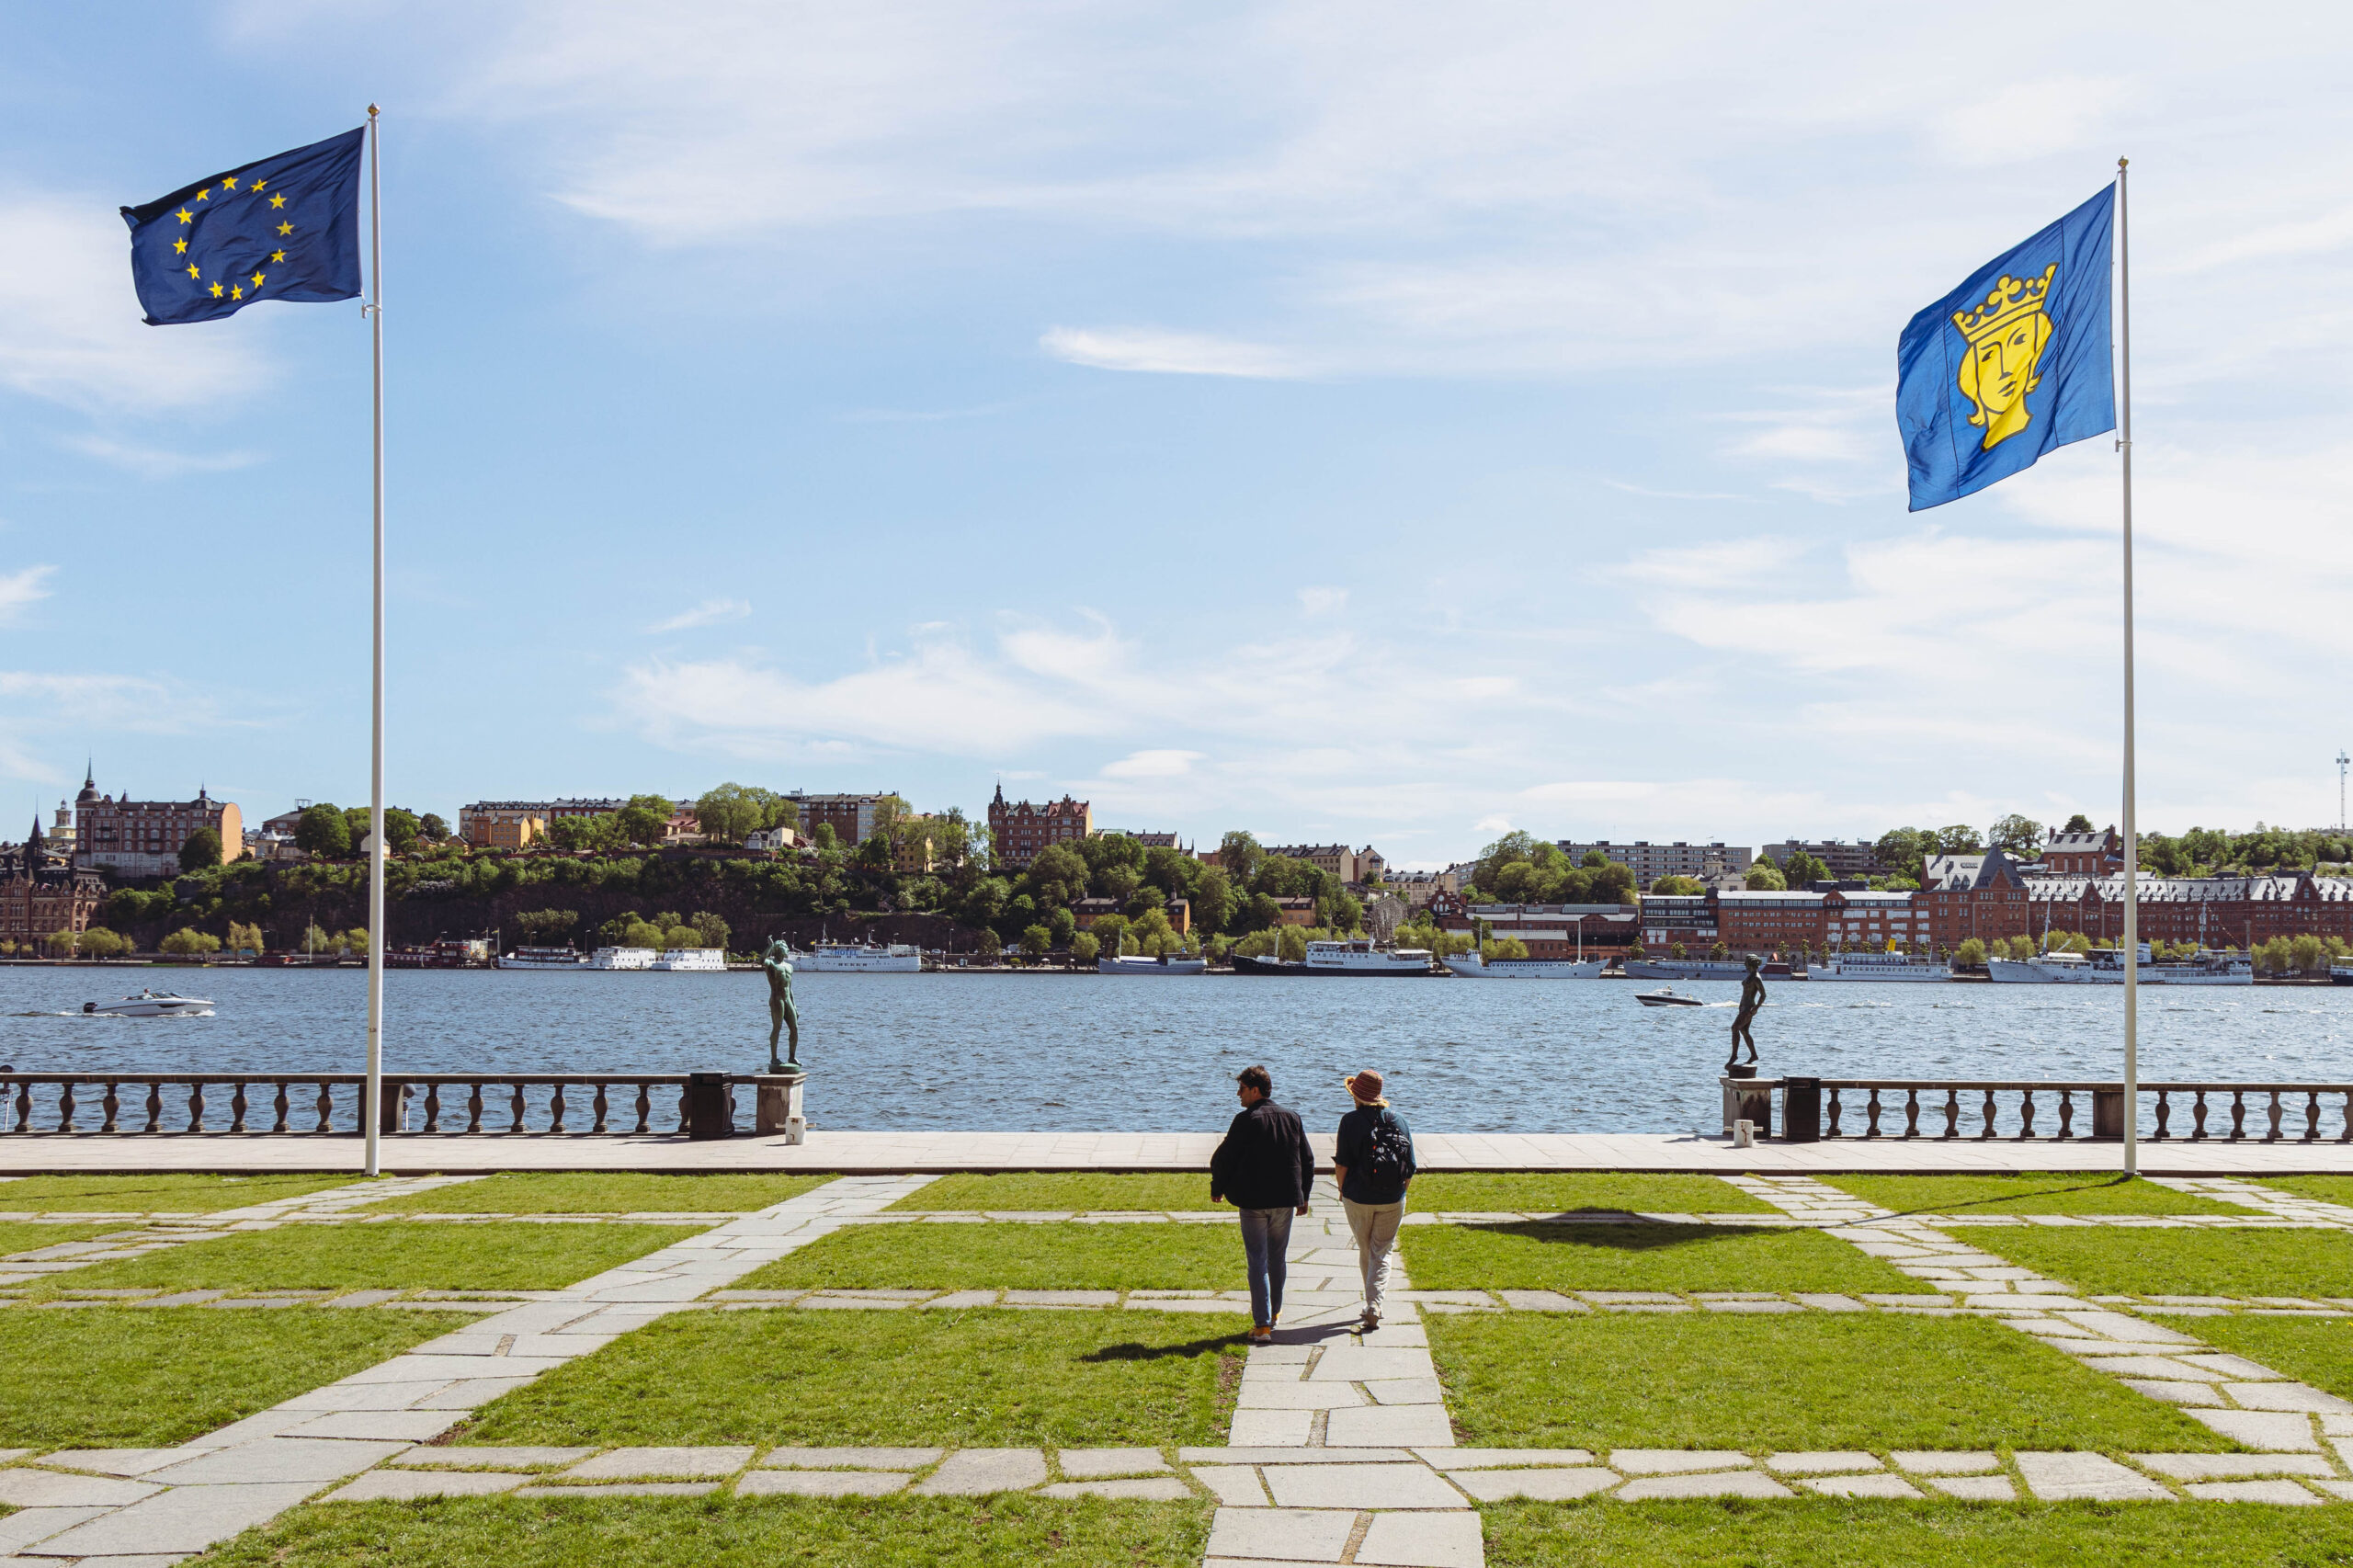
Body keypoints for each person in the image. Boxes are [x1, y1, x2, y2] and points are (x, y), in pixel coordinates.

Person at [1210, 1063, 1314, 1343]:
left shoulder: (1246, 1120)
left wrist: (1217, 1187)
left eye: (1242, 1089)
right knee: (1277, 1258)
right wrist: (1304, 1195)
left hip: (1254, 1202)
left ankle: (1263, 1324)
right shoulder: (1292, 1117)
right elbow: (1307, 1159)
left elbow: (1224, 1158)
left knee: (1257, 1259)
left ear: (1255, 1090)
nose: (1238, 1094)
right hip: (1284, 1201)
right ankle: (1275, 1313)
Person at [1333, 1069, 1415, 1329]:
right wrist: (1401, 1192)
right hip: (1392, 1197)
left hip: (1357, 1197)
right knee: (1382, 1250)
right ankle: (1374, 1304)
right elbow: (1410, 1166)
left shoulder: (1349, 1121)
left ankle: (1372, 1304)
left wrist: (1342, 1189)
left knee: (1367, 1247)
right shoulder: (1399, 1119)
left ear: (1356, 1096)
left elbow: (1342, 1164)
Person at [1729, 955, 1766, 1071]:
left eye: (1746, 962)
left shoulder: (1756, 978)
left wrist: (1756, 1008)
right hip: (1743, 1007)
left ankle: (1734, 1055)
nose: (1745, 964)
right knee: (1744, 1031)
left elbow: (1763, 995)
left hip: (1748, 1008)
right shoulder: (1750, 976)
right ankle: (1754, 1055)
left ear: (1750, 963)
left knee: (1735, 1028)